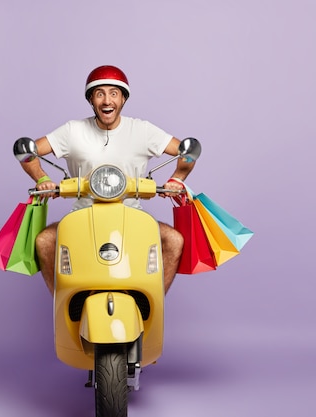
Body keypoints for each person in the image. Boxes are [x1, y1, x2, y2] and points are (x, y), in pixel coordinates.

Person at [19, 65, 196, 294]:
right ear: (91, 100)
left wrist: (177, 180)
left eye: (114, 93)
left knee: (174, 240)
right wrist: (42, 178)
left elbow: (186, 152)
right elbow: (29, 153)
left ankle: (151, 302)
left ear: (123, 99)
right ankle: (64, 305)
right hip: (82, 215)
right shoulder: (73, 131)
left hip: (133, 215)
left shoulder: (142, 130)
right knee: (44, 242)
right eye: (99, 93)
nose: (106, 100)